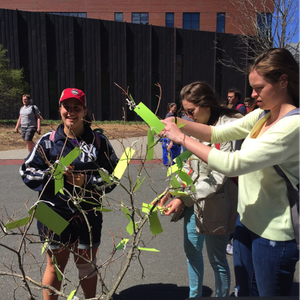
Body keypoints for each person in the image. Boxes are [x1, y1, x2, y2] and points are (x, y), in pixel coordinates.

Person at [162, 48, 300, 297]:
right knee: (246, 291)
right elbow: (216, 133)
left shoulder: (293, 125)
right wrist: (177, 123)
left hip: (274, 235)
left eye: (258, 88)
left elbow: (232, 164)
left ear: (283, 81)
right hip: (246, 222)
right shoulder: (263, 114)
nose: (252, 95)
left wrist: (182, 137)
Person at [20, 88, 118, 300]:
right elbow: (26, 171)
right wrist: (52, 174)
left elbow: (115, 175)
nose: (71, 112)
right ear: (60, 109)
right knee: (55, 266)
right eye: (67, 107)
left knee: (86, 265)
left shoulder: (99, 142)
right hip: (51, 213)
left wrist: (89, 182)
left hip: (88, 212)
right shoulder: (47, 141)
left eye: (77, 107)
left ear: (85, 110)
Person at [158, 82, 240, 298]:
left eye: (191, 111)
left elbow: (219, 175)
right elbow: (186, 164)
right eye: (185, 112)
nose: (188, 116)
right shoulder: (193, 129)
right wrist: (174, 191)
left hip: (217, 205)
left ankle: (222, 296)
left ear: (206, 105)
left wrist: (184, 198)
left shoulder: (226, 128)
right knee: (192, 254)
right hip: (191, 205)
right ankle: (194, 296)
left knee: (217, 259)